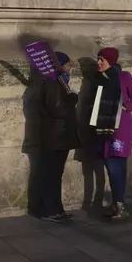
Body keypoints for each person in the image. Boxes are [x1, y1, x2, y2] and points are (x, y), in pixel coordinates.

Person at [94, 47, 132, 219]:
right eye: (98, 59)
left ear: (111, 61)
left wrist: (124, 106)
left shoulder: (124, 77)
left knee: (116, 167)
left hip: (119, 130)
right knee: (110, 165)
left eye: (102, 60)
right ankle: (116, 203)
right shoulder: (99, 79)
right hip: (103, 128)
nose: (98, 63)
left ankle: (120, 204)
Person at [37, 52, 80, 223]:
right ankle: (49, 210)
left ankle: (56, 209)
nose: (70, 68)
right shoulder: (53, 83)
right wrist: (72, 99)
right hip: (55, 137)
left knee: (55, 174)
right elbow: (57, 109)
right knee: (52, 175)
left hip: (58, 136)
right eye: (67, 64)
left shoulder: (57, 82)